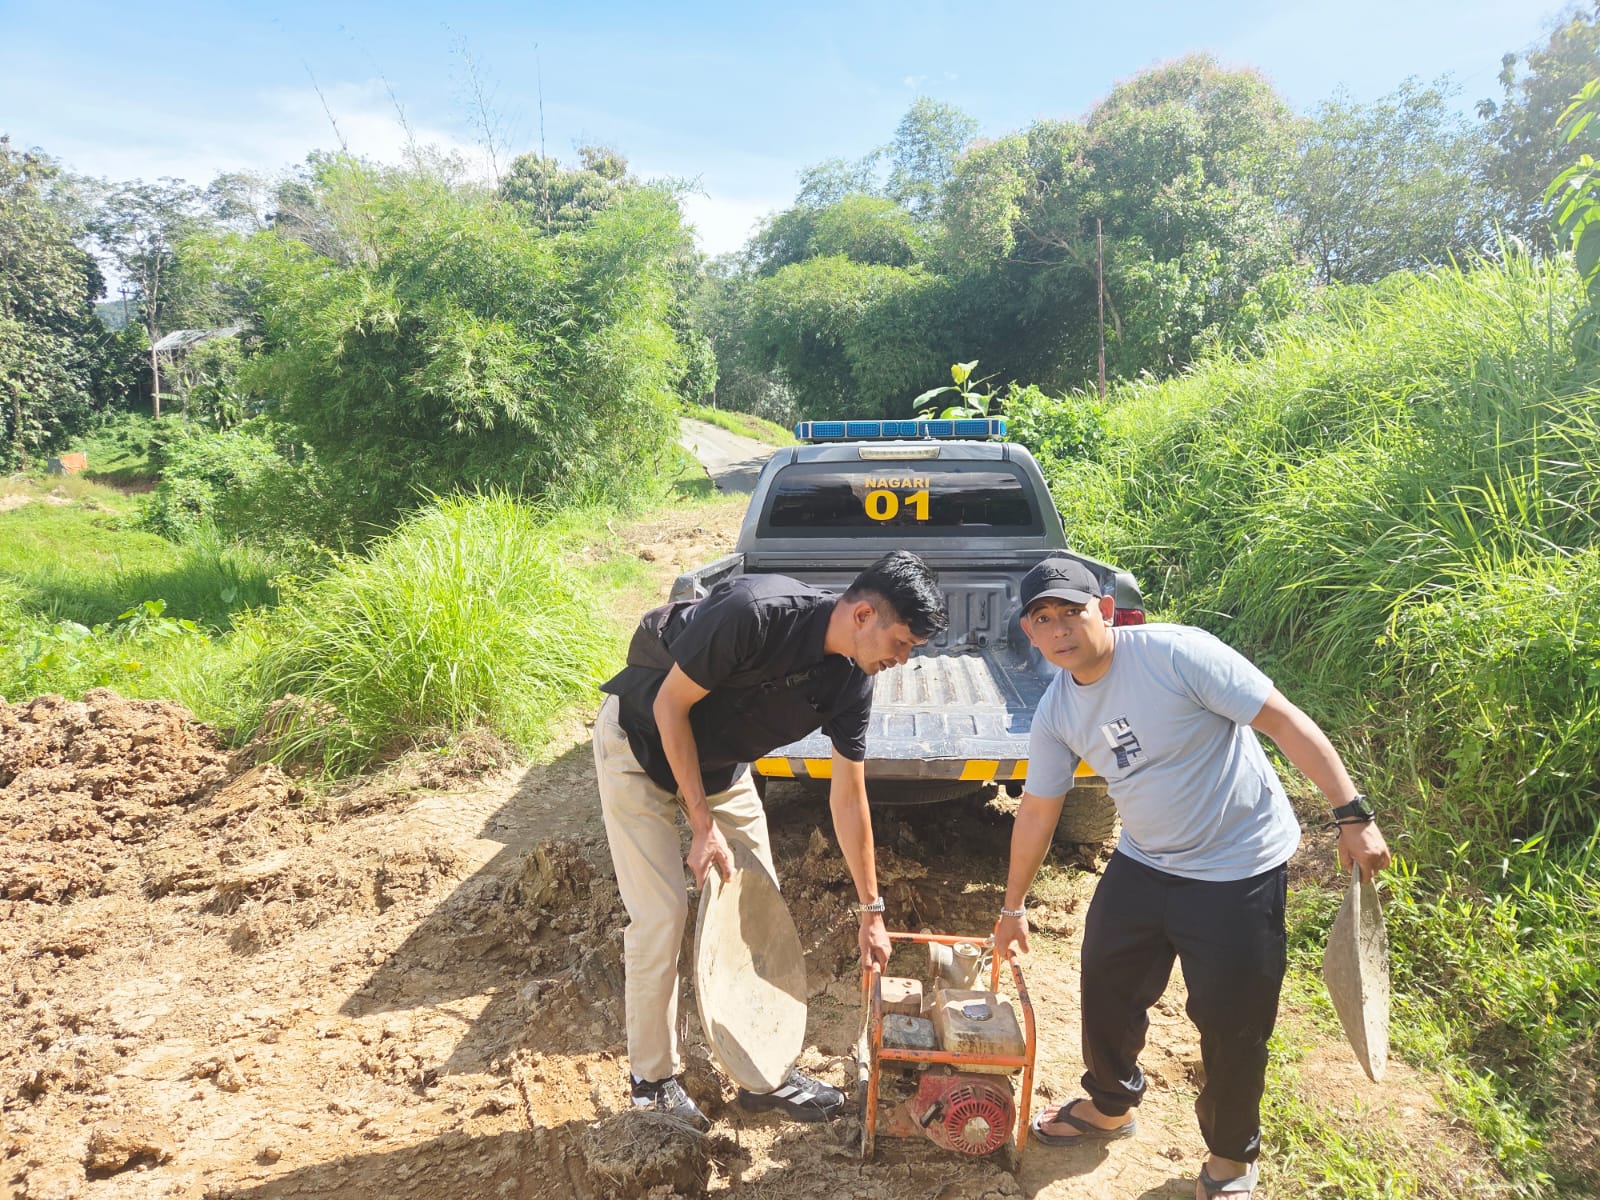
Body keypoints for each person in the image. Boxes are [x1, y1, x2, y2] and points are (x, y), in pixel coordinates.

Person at [992, 558, 1391, 1200]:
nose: (1060, 628)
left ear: (1106, 610)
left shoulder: (1176, 655)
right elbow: (1038, 809)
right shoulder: (1057, 711)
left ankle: (1231, 1158)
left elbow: (1283, 719)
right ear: (1029, 633)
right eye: (1044, 618)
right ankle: (1111, 1104)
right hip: (1146, 859)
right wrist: (1013, 908)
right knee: (1106, 981)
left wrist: (1352, 816)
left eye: (1072, 611)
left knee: (1232, 1022)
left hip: (1238, 865)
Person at [595, 550, 948, 1131]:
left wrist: (872, 910)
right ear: (864, 615)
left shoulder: (853, 683)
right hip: (641, 746)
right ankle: (652, 1083)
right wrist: (701, 825)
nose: (902, 660)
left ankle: (765, 1072)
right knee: (662, 915)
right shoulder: (754, 612)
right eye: (902, 643)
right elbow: (669, 705)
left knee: (760, 909)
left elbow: (849, 798)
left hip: (721, 767)